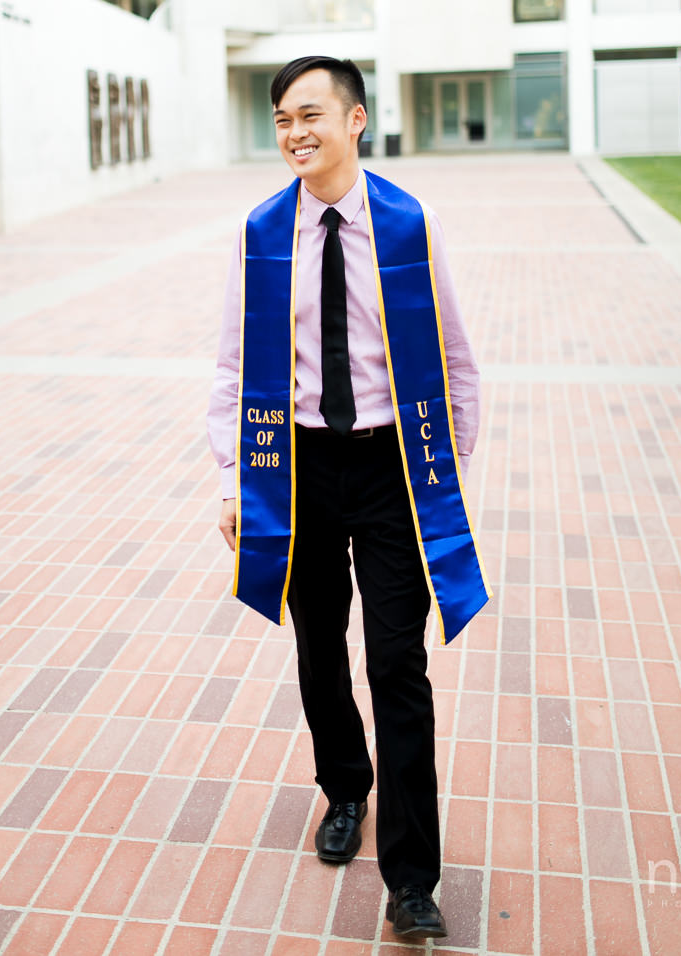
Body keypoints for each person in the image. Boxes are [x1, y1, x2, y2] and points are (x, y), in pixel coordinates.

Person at [207, 55, 489, 942]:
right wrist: (230, 480)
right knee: (320, 648)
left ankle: (412, 878)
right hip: (293, 464)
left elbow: (457, 361)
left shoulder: (410, 224)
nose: (296, 133)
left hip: (392, 470)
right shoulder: (260, 232)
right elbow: (227, 366)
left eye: (312, 115)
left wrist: (444, 478)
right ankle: (345, 788)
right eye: (284, 119)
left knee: (397, 664)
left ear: (356, 120)